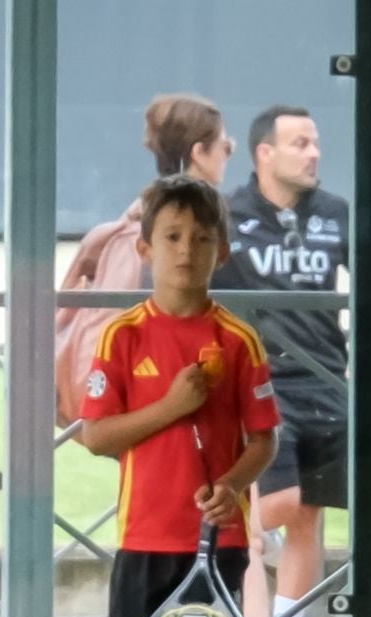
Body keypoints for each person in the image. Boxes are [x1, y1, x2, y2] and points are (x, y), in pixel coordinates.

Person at [78, 173, 302, 617]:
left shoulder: (237, 340)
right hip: (146, 540)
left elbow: (263, 438)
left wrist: (233, 486)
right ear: (145, 247)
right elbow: (96, 436)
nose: (186, 251)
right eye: (172, 237)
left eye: (201, 239)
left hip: (220, 545)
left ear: (222, 251)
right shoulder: (121, 337)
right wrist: (175, 404)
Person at [213, 104, 371, 617]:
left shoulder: (334, 213)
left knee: (310, 514)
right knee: (271, 507)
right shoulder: (230, 215)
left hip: (329, 381)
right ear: (265, 153)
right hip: (264, 384)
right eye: (299, 142)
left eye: (315, 142)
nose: (313, 153)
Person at [56, 94, 237, 428]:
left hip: (144, 385)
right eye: (226, 147)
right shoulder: (207, 220)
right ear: (199, 152)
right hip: (177, 384)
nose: (229, 155)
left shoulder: (143, 215)